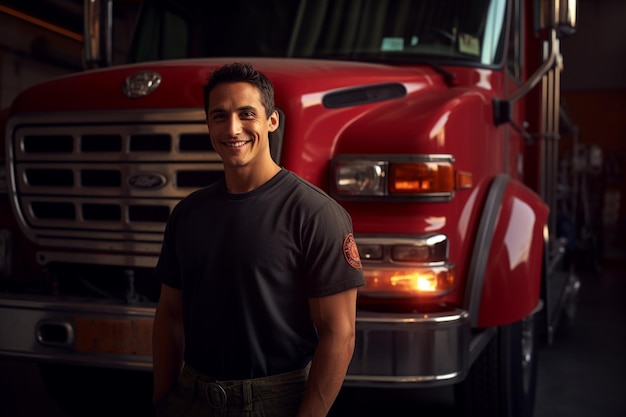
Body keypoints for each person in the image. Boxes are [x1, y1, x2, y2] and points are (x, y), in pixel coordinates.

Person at [152, 62, 365, 417]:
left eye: (246, 114)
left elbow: (339, 333)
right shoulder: (187, 214)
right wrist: (162, 399)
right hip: (191, 398)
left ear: (272, 121)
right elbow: (170, 314)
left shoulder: (316, 214)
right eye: (219, 116)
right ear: (208, 124)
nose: (232, 128)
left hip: (276, 402)